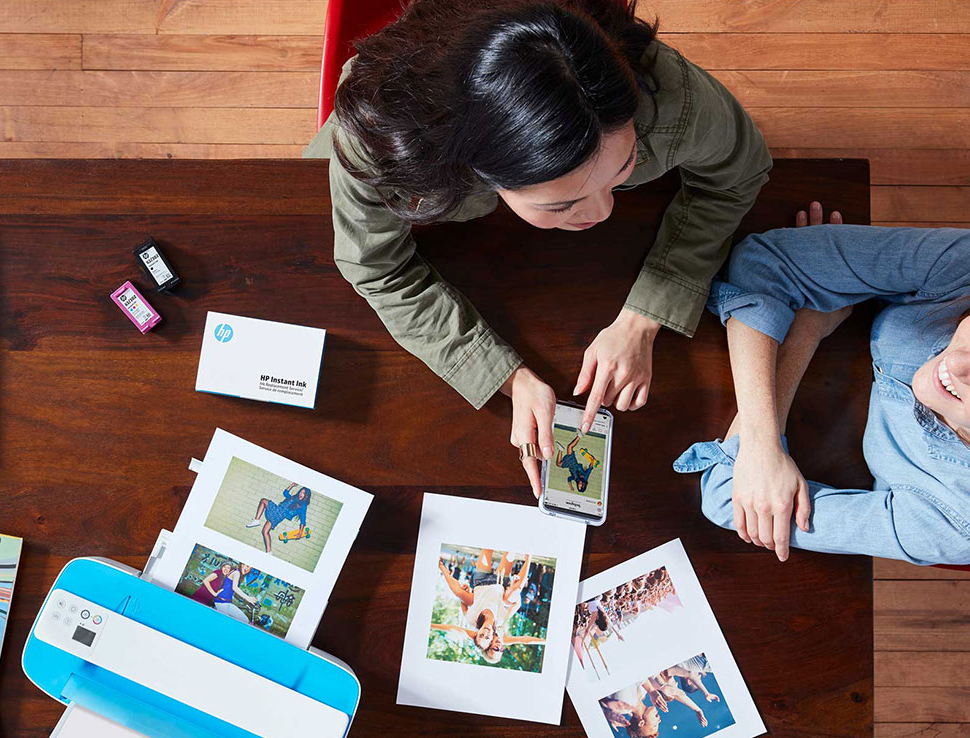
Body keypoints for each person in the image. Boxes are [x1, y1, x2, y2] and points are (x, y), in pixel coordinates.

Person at [304, 0, 771, 498]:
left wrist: (645, 315)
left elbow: (740, 173)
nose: (602, 213)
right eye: (561, 204)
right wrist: (505, 376)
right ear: (477, 173)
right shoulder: (383, 144)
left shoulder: (667, 93)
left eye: (625, 165)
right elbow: (375, 267)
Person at [675, 203, 970, 565]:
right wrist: (761, 443)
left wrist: (806, 327)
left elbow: (727, 500)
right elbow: (766, 261)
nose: (958, 362)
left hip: (839, 438)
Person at [434, 549, 541, 663]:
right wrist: (546, 641)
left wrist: (431, 625)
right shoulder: (500, 620)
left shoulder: (472, 620)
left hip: (481, 581)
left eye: (481, 636)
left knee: (458, 592)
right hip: (499, 581)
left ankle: (441, 566)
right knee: (511, 555)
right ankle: (529, 555)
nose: (485, 633)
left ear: (477, 633)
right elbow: (524, 640)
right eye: (487, 637)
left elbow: (456, 626)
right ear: (491, 640)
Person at [245, 483, 311, 554]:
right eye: (301, 491)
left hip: (279, 515)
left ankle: (256, 521)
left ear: (306, 496)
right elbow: (285, 493)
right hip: (277, 509)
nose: (301, 494)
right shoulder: (293, 498)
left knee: (263, 501)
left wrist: (300, 532)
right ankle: (269, 552)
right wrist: (292, 485)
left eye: (303, 493)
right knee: (265, 531)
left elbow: (303, 519)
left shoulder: (302, 506)